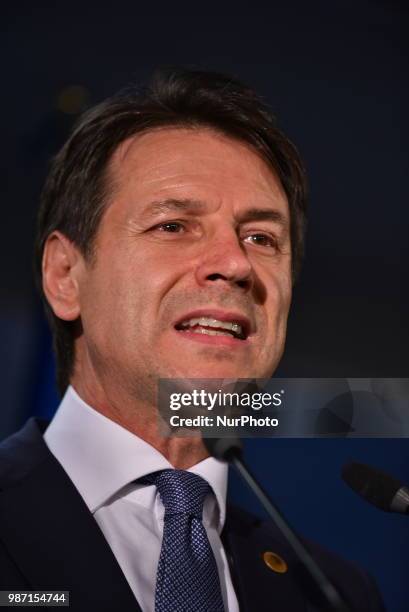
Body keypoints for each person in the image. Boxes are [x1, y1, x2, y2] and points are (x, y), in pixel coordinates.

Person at [0, 68, 385, 611]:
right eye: (173, 226)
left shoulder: (338, 594)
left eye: (261, 238)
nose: (235, 263)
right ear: (66, 275)